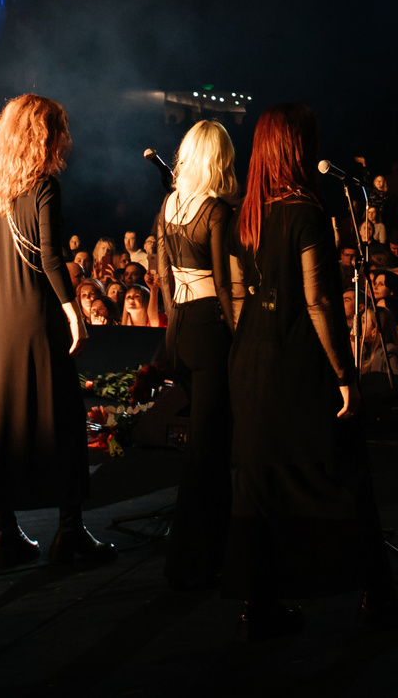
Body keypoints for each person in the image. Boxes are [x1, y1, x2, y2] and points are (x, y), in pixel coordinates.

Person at [229, 102, 398, 638]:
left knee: (261, 484)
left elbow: (236, 296)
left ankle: (258, 602)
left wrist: (252, 344)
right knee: (344, 468)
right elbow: (319, 303)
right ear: (297, 148)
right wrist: (346, 376)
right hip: (299, 362)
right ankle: (378, 593)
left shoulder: (247, 213)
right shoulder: (306, 211)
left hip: (251, 358)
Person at [0, 94, 112, 570]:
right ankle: (70, 533)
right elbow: (52, 257)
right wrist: (73, 310)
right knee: (65, 421)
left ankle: (6, 536)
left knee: (3, 426)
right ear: (44, 135)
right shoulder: (44, 184)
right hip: (34, 319)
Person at [150, 120, 241, 589]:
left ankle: (207, 548)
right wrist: (242, 334)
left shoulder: (169, 205)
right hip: (209, 328)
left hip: (180, 327)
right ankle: (194, 555)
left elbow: (163, 275)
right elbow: (226, 287)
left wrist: (171, 331)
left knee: (204, 444)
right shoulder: (216, 212)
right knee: (210, 446)